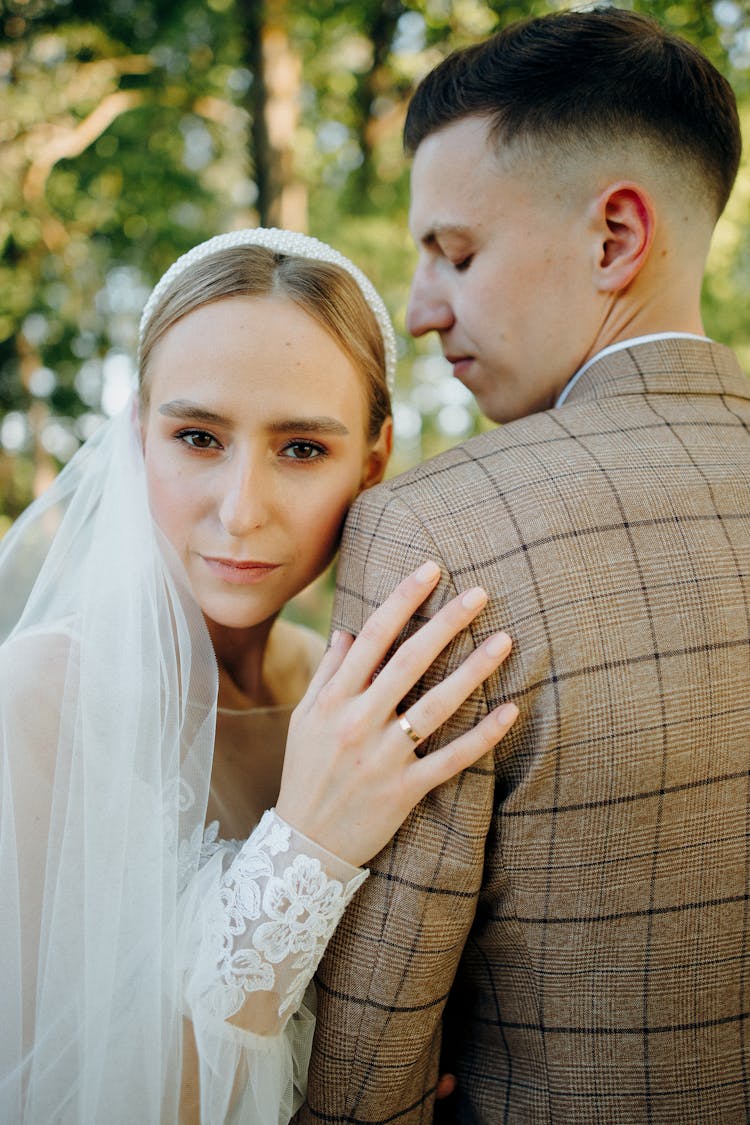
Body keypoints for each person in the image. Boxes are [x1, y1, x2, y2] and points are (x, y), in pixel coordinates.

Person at [297, 9, 750, 1123]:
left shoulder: (438, 535)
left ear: (613, 238)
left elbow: (372, 1066)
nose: (417, 311)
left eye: (454, 252)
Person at [0, 227, 520, 1124]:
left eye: (302, 449)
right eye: (198, 436)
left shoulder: (341, 697)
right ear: (139, 436)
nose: (241, 512)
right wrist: (307, 845)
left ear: (374, 456)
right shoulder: (39, 700)